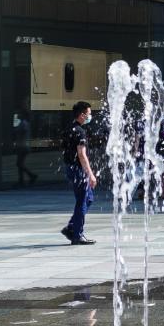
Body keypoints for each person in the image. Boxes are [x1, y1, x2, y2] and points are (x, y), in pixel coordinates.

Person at [60, 101, 97, 245]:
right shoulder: (80, 132)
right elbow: (82, 155)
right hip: (78, 170)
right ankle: (77, 234)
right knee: (82, 201)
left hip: (70, 168)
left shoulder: (69, 128)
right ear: (82, 115)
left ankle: (71, 227)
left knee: (88, 198)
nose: (90, 116)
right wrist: (91, 174)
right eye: (89, 113)